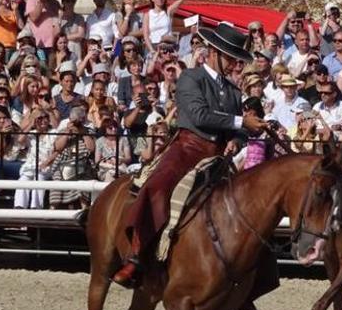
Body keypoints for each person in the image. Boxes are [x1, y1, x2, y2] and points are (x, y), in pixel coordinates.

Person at [112, 23, 265, 288]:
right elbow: (198, 115)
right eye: (231, 58)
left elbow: (237, 131)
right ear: (214, 53)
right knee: (157, 186)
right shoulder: (190, 78)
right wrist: (241, 124)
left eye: (237, 60)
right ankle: (136, 255)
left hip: (218, 156)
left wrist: (237, 143)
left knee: (249, 206)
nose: (235, 65)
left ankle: (250, 279)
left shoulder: (233, 91)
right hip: (187, 148)